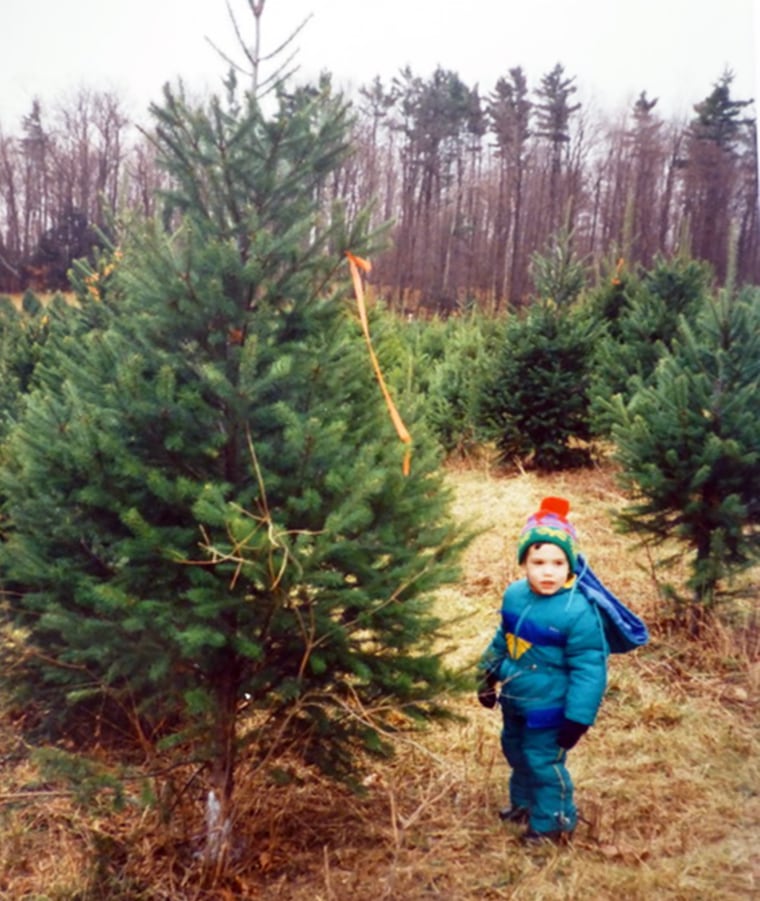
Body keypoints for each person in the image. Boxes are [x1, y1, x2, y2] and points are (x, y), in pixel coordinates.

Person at [477, 496, 608, 844]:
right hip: (516, 698)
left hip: (551, 708)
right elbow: (502, 639)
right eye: (538, 562)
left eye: (557, 562)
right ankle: (524, 804)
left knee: (543, 761)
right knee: (516, 752)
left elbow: (589, 669)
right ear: (524, 563)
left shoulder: (577, 610)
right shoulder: (515, 596)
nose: (548, 571)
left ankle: (553, 823)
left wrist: (578, 718)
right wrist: (487, 675)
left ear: (571, 565)